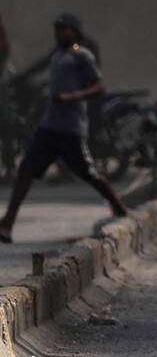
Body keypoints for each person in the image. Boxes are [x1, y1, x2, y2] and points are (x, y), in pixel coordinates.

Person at [0, 13, 129, 243]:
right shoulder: (58, 54)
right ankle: (8, 222)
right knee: (26, 170)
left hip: (71, 127)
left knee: (89, 173)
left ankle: (118, 205)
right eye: (57, 29)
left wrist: (74, 96)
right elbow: (41, 65)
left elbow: (99, 86)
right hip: (49, 125)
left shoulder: (83, 54)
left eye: (64, 29)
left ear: (75, 31)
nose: (59, 33)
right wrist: (23, 77)